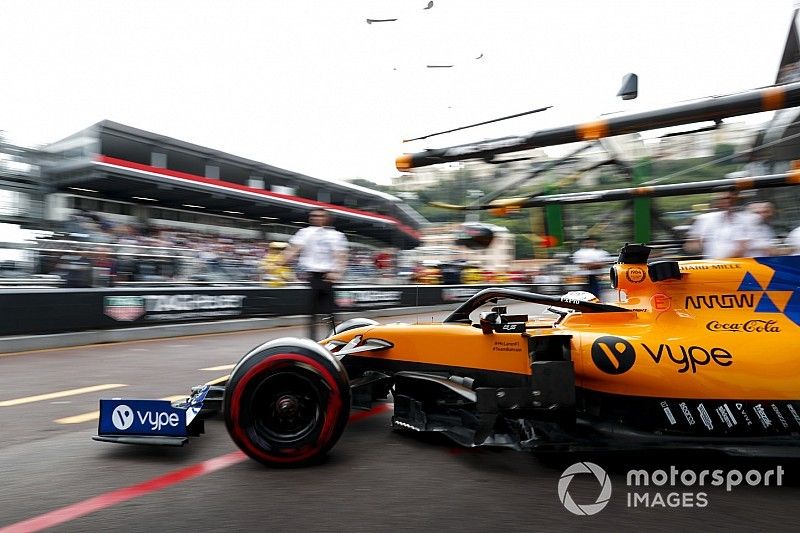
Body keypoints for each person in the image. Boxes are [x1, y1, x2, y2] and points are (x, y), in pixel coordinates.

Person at [280, 209, 348, 339]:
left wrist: (337, 272)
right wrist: (280, 262)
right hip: (312, 277)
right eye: (314, 215)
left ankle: (334, 339)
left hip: (328, 277)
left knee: (330, 313)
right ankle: (312, 341)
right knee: (311, 313)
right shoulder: (305, 233)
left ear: (327, 218)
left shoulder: (335, 235)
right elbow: (293, 249)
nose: (317, 218)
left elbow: (341, 255)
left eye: (321, 215)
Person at [683, 190, 759, 259]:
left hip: (738, 265)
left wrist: (720, 262)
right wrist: (696, 243)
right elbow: (691, 246)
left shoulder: (747, 219)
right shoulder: (704, 219)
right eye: (722, 198)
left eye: (729, 198)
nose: (727, 201)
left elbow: (743, 248)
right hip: (712, 265)